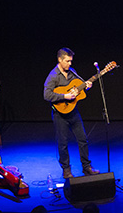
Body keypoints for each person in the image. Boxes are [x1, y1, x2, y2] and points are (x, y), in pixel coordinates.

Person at [43, 47, 100, 179]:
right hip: (59, 114)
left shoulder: (72, 72)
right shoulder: (53, 76)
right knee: (63, 143)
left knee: (83, 139)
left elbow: (78, 89)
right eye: (67, 61)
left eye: (71, 61)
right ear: (60, 60)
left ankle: (86, 167)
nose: (70, 64)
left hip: (73, 112)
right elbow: (47, 95)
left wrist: (87, 86)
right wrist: (65, 96)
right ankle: (66, 170)